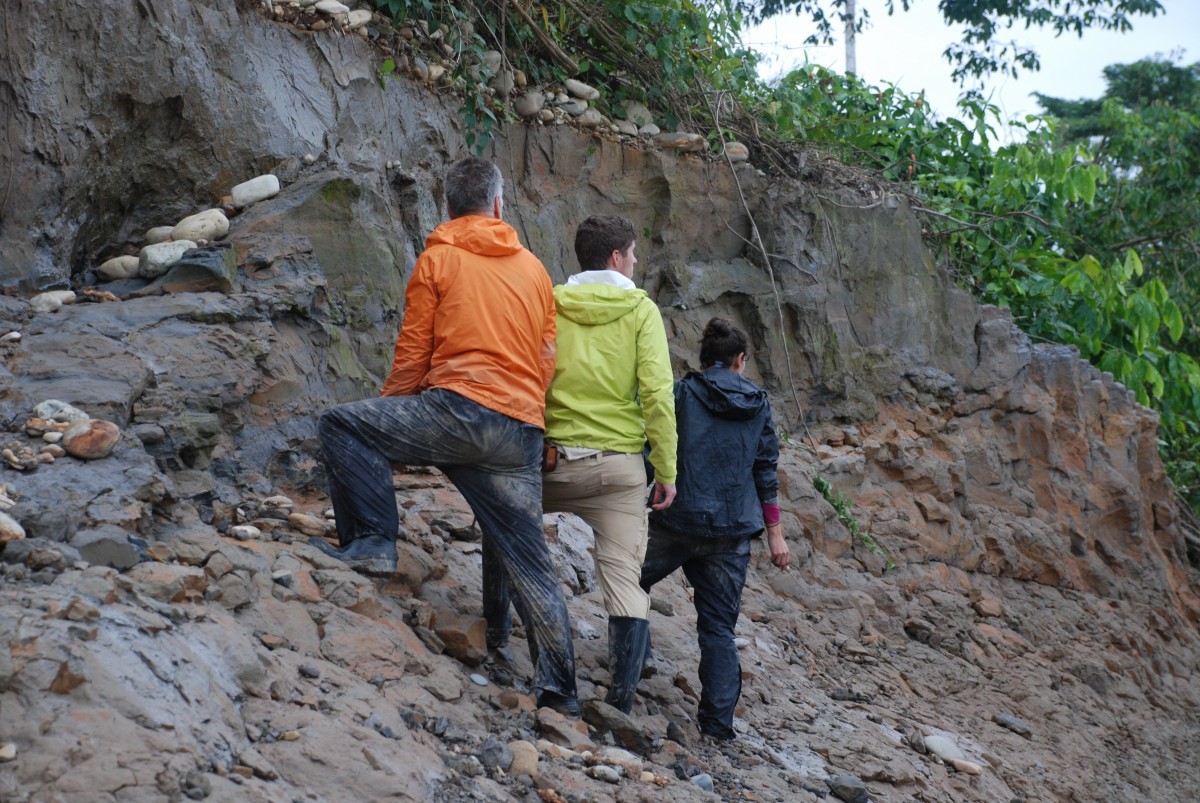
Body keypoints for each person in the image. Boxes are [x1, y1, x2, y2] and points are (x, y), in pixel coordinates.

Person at [310, 157, 580, 716]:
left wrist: (390, 419)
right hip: (521, 429)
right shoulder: (534, 271)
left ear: (447, 207)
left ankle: (373, 544)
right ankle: (560, 693)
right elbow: (546, 357)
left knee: (341, 424)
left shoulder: (438, 259)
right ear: (499, 205)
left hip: (458, 410)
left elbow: (413, 354)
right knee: (529, 559)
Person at [482, 214, 677, 715]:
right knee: (623, 581)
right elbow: (657, 396)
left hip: (549, 464)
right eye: (633, 254)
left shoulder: (549, 302)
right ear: (616, 258)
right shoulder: (641, 310)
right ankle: (620, 703)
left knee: (500, 523)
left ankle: (496, 634)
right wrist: (668, 471)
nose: (635, 263)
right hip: (618, 471)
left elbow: (523, 374)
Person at [639, 317, 790, 742]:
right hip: (732, 532)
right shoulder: (758, 403)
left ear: (705, 360)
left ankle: (633, 667)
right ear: (740, 360)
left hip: (676, 520)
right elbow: (765, 470)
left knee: (629, 583)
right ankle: (718, 728)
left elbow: (654, 450)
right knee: (719, 630)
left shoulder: (683, 393)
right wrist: (775, 534)